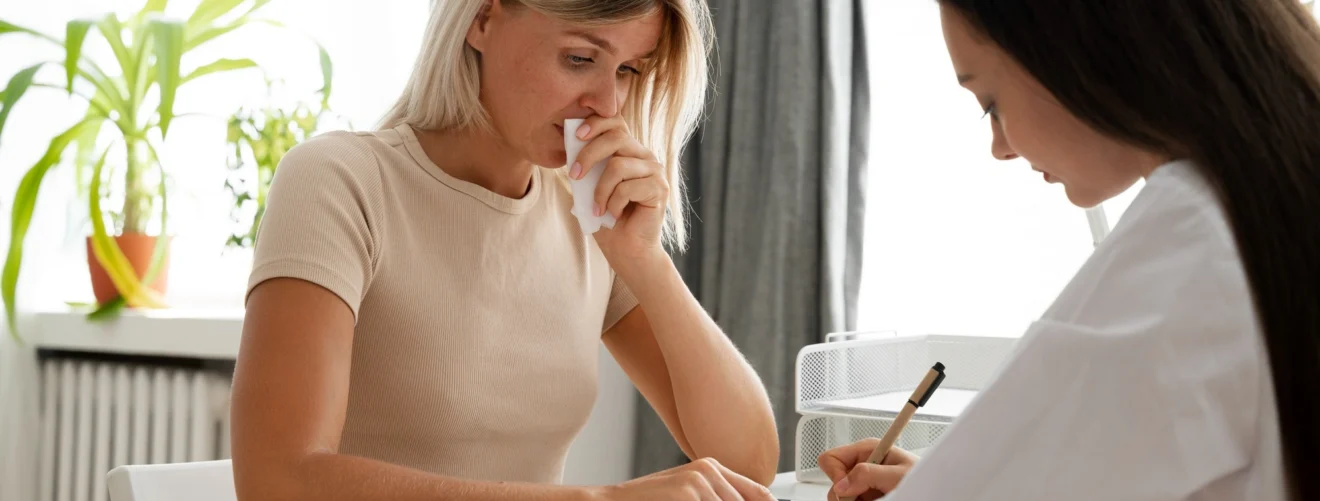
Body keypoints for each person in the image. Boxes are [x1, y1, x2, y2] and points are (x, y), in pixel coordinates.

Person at [229, 0, 780, 499]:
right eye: (580, 58)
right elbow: (278, 479)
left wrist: (646, 261)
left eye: (629, 69)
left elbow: (747, 465)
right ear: (482, 19)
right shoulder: (342, 182)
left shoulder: (590, 221)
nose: (606, 102)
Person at [820, 1, 1320, 500]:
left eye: (991, 103)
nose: (1000, 146)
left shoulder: (1184, 249)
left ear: (1080, 50)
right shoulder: (1261, 202)